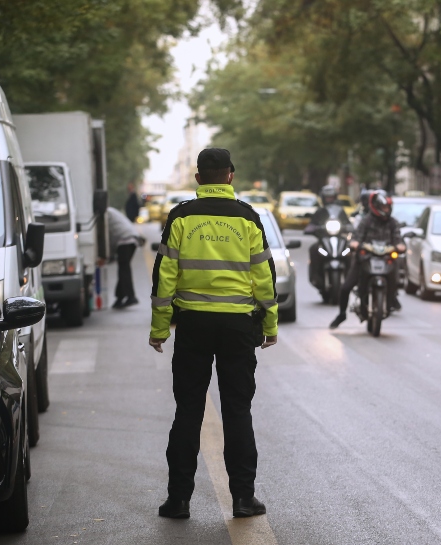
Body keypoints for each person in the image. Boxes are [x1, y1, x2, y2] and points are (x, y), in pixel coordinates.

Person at [149, 148, 278, 520]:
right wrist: (269, 327)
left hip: (193, 326)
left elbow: (164, 280)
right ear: (230, 176)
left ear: (199, 178)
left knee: (188, 410)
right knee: (237, 410)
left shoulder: (181, 218)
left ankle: (178, 501)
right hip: (238, 327)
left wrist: (159, 329)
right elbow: (264, 279)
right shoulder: (248, 219)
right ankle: (242, 499)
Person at [330, 191, 405, 329]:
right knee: (346, 287)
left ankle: (391, 299)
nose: (386, 210)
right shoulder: (366, 221)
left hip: (386, 260)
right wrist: (355, 244)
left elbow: (398, 238)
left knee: (396, 273)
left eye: (388, 208)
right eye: (384, 207)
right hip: (365, 259)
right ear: (376, 206)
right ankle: (341, 314)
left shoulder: (393, 223)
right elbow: (357, 236)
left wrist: (400, 245)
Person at [306, 185, 351, 289]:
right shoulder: (320, 211)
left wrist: (349, 227)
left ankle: (351, 277)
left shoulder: (340, 211)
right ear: (323, 198)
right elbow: (311, 224)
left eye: (331, 197)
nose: (329, 199)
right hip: (324, 240)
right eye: (327, 197)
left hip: (339, 239)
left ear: (335, 197)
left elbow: (348, 223)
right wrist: (313, 228)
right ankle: (316, 276)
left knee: (350, 251)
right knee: (313, 249)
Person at [106, 206, 141, 308]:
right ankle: (120, 298)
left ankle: (131, 296)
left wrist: (109, 255)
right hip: (131, 239)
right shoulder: (111, 211)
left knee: (124, 269)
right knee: (123, 269)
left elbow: (109, 237)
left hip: (124, 240)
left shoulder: (105, 214)